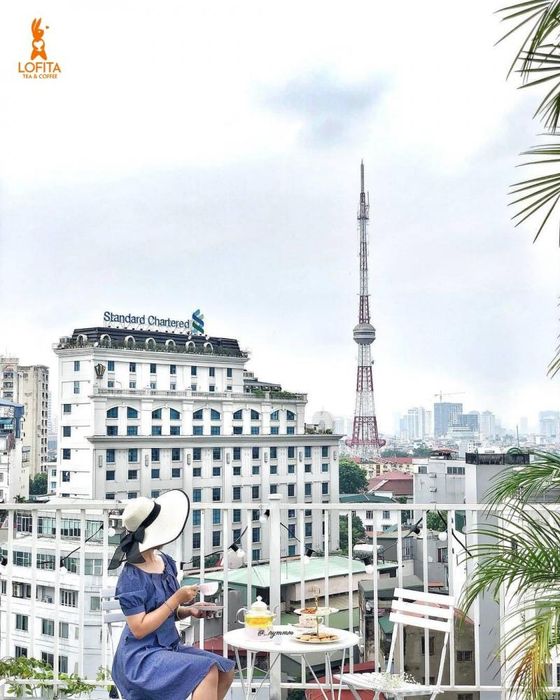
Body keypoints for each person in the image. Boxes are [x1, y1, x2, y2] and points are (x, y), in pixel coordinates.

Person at [108, 490, 235, 700]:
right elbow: (139, 628)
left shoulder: (164, 562)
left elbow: (165, 612)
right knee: (208, 671)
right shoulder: (131, 576)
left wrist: (188, 610)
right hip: (140, 657)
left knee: (225, 670)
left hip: (168, 647)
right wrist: (176, 599)